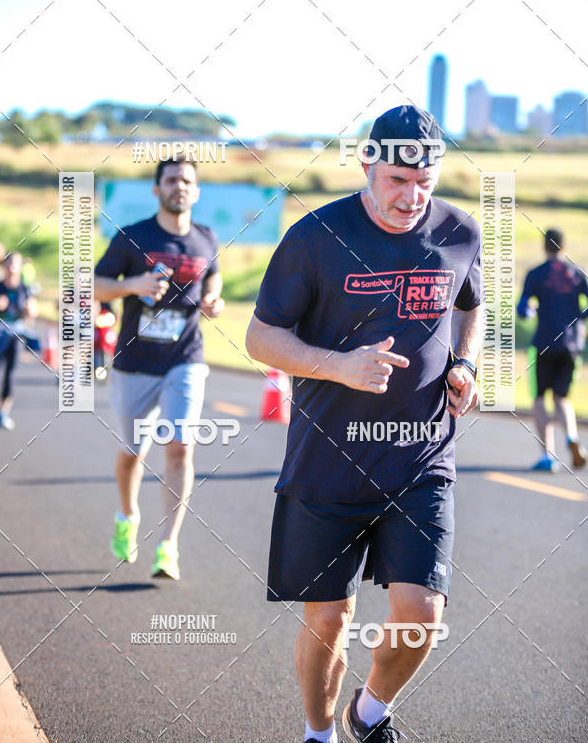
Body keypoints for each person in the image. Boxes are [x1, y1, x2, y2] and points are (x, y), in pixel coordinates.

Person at [246, 104, 482, 743]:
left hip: (421, 456)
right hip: (328, 459)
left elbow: (470, 304)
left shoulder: (460, 232)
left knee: (422, 615)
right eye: (398, 181)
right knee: (329, 618)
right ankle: (319, 733)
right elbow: (260, 338)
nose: (412, 198)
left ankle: (370, 711)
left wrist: (464, 363)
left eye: (425, 182)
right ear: (368, 164)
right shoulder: (315, 236)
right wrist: (340, 366)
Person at [94, 158, 224, 580]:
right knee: (134, 451)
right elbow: (94, 285)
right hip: (135, 363)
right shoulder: (133, 236)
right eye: (171, 180)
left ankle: (168, 546)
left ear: (196, 190)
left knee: (180, 445)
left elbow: (213, 276)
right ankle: (127, 515)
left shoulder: (206, 238)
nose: (179, 186)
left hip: (185, 358)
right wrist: (132, 285)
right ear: (157, 189)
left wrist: (213, 299)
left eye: (186, 180)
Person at [517, 228, 587, 471]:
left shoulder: (536, 274)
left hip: (544, 343)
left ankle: (547, 456)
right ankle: (572, 437)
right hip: (572, 344)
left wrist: (532, 310)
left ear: (544, 246)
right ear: (563, 246)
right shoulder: (576, 273)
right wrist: (579, 319)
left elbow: (522, 309)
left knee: (539, 399)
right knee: (561, 397)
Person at [0, 251, 38, 429]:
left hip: (16, 336)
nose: (12, 267)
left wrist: (30, 310)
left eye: (15, 264)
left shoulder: (25, 289)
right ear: (4, 266)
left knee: (9, 374)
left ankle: (3, 413)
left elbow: (33, 313)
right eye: (9, 263)